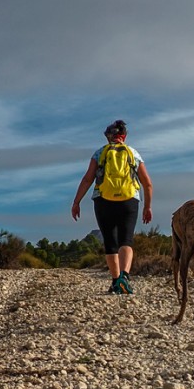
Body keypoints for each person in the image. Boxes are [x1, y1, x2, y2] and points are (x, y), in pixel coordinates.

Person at [71, 119, 153, 294]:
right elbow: (147, 184)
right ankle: (125, 277)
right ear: (123, 136)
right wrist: (148, 207)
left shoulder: (99, 153)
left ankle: (116, 281)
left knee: (110, 241)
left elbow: (87, 179)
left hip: (103, 199)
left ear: (109, 137)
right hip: (129, 199)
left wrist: (76, 202)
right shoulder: (133, 153)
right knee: (126, 239)